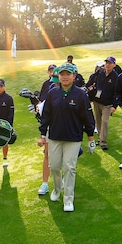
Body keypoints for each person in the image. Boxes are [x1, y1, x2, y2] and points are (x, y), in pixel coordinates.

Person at [38, 63, 95, 212]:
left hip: (73, 137)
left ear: (74, 76)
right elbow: (46, 116)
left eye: (68, 74)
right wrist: (43, 134)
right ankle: (57, 189)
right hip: (55, 136)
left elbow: (87, 116)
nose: (64, 77)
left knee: (69, 168)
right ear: (59, 76)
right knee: (55, 166)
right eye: (62, 74)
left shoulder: (80, 94)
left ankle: (68, 199)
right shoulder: (53, 93)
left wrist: (90, 137)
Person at [85, 55, 120, 150]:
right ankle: (100, 139)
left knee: (105, 121)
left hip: (107, 104)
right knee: (98, 122)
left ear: (114, 65)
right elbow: (89, 82)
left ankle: (103, 142)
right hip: (96, 101)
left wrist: (114, 106)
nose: (108, 65)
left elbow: (117, 92)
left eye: (110, 63)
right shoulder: (99, 73)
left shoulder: (116, 77)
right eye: (106, 63)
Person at [36, 64, 58, 195]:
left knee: (65, 160)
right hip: (51, 127)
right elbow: (44, 108)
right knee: (47, 155)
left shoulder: (73, 91)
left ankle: (63, 183)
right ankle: (45, 183)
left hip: (65, 130)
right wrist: (43, 135)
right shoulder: (49, 88)